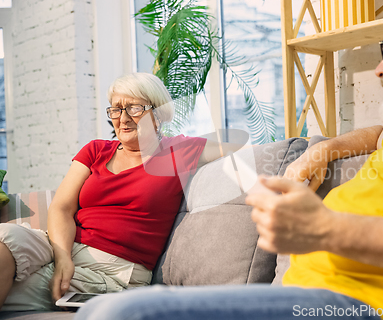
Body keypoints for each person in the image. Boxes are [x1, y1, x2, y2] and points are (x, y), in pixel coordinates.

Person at [75, 0, 383, 320]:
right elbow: (379, 132)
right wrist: (323, 151)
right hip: (304, 297)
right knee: (95, 310)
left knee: (121, 312)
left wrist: (327, 230)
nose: (380, 69)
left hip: (360, 305)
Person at [0, 72, 245, 311]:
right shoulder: (96, 150)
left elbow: (240, 149)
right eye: (116, 109)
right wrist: (63, 257)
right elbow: (62, 208)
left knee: (16, 285)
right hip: (63, 246)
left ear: (157, 114)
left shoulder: (178, 152)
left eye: (134, 108)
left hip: (116, 269)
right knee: (5, 238)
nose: (123, 118)